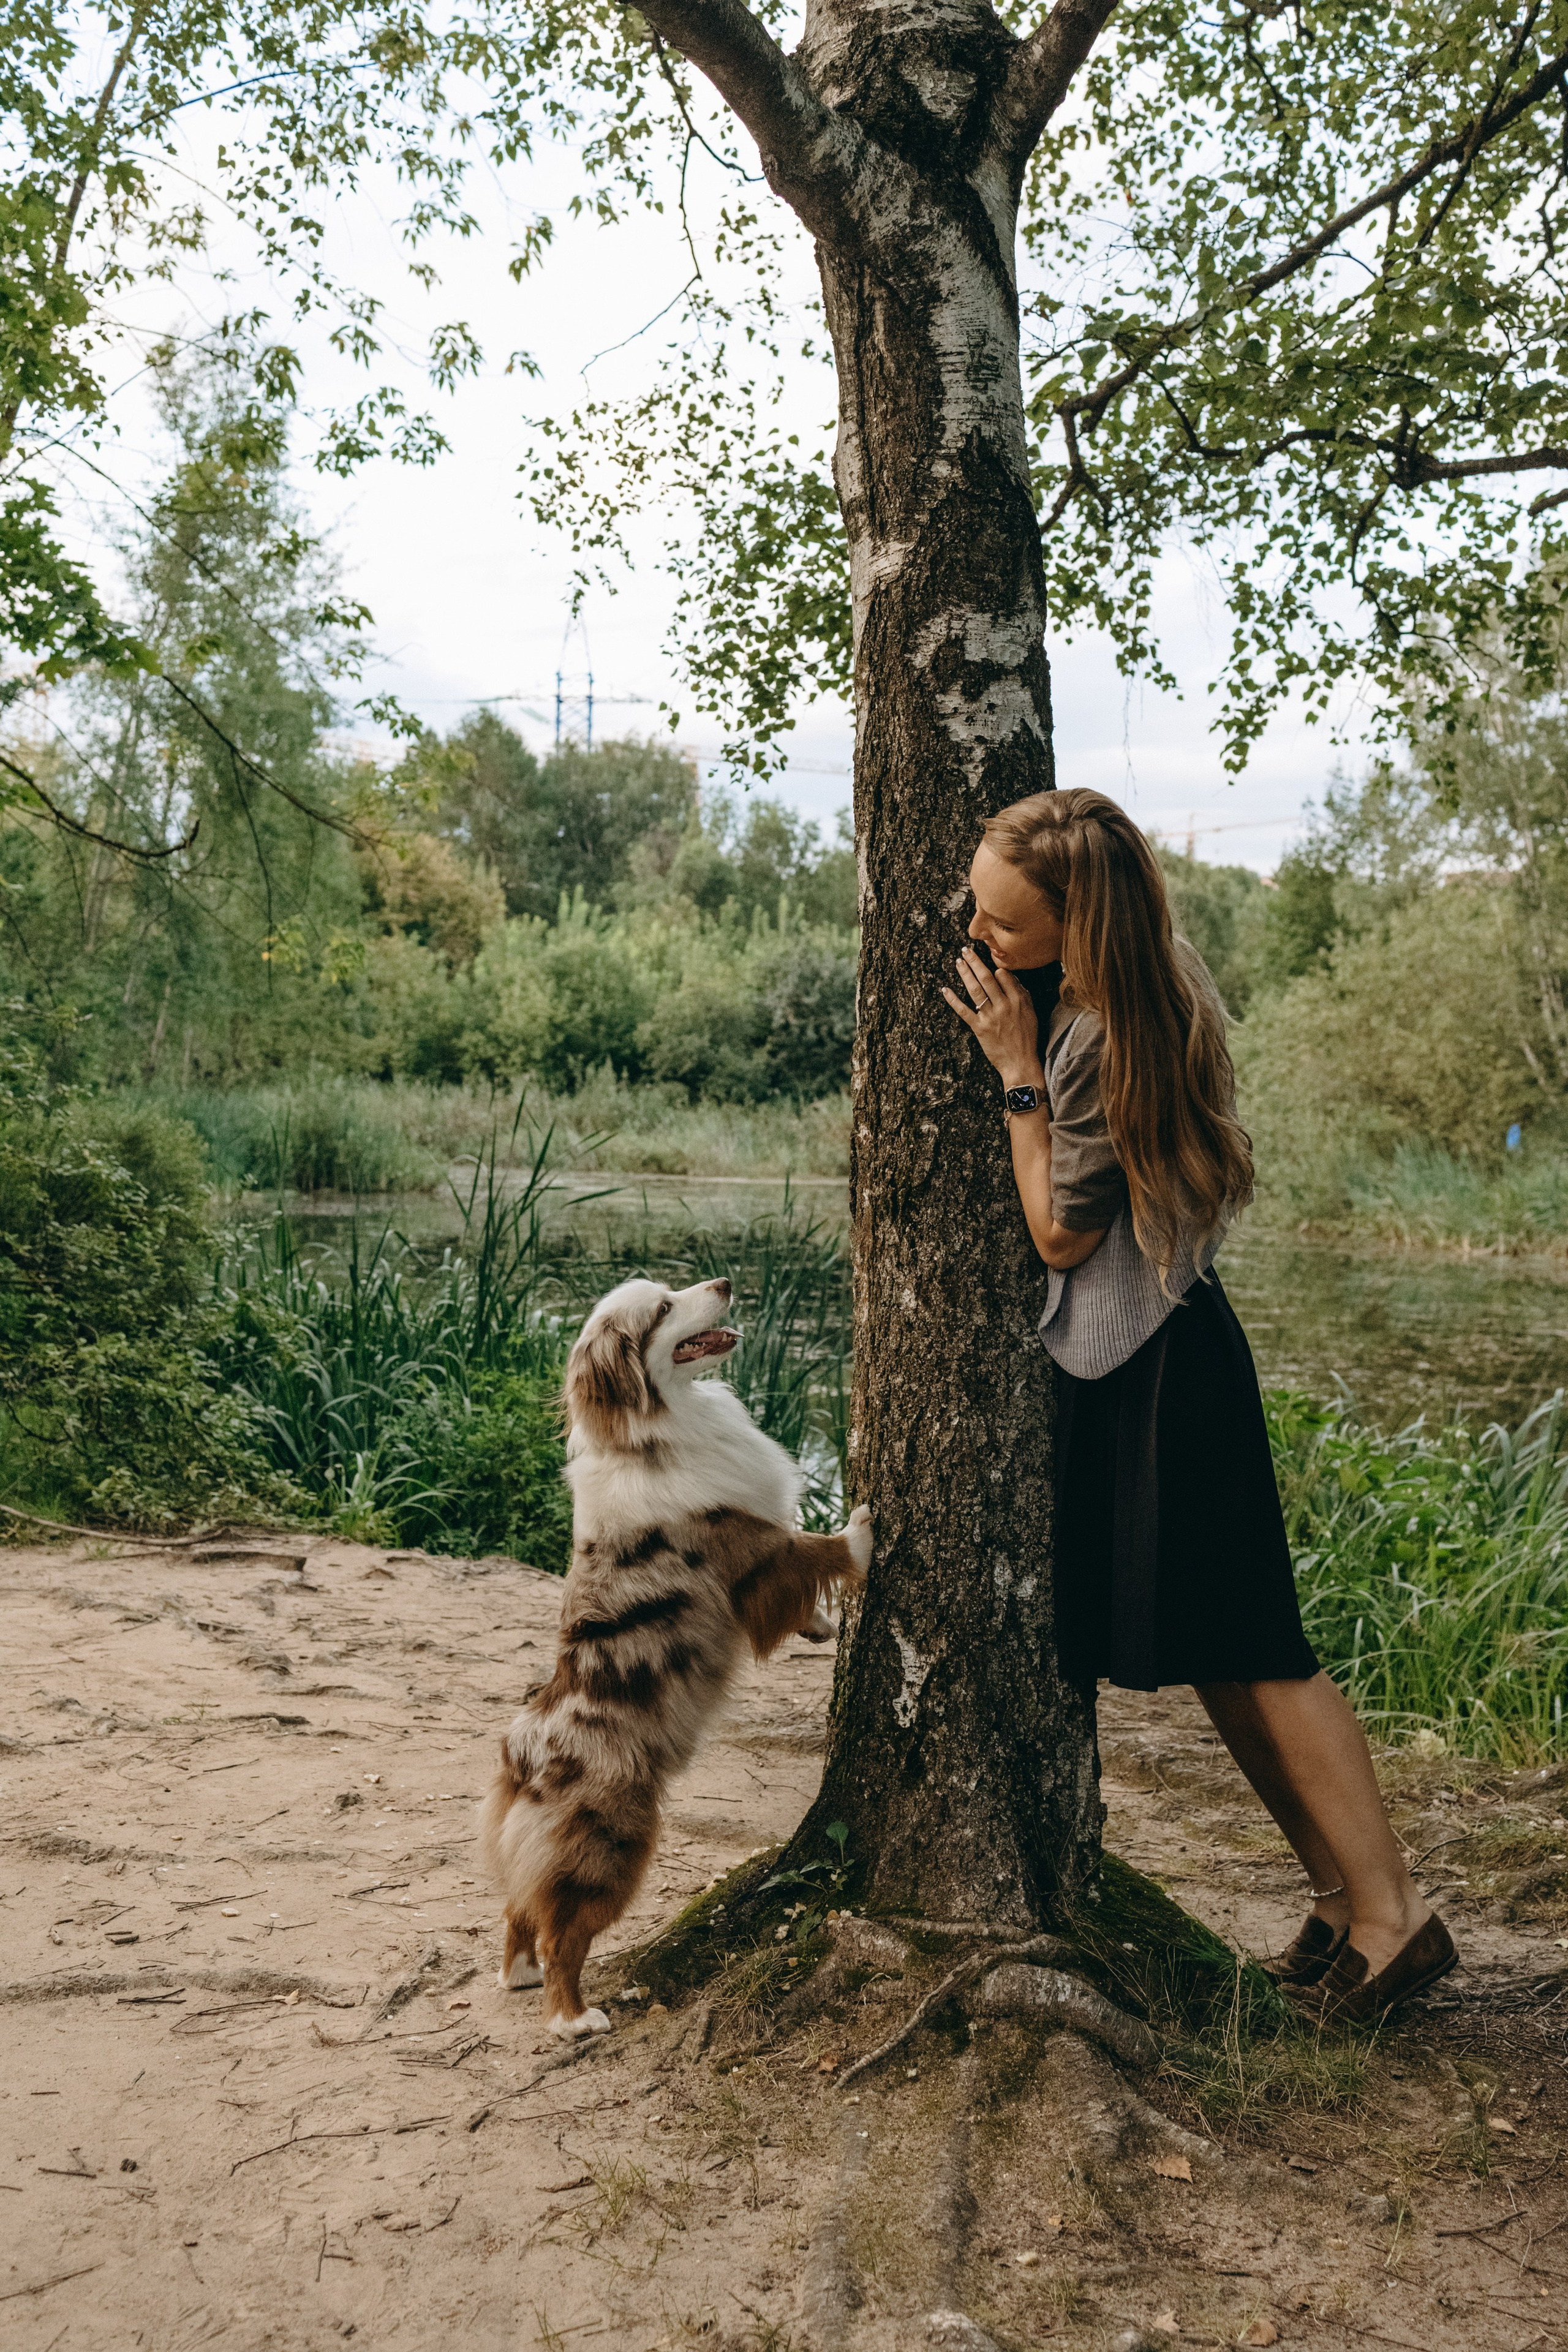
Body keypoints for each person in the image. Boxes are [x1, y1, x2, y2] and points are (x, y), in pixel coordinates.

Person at [941, 786, 1455, 2024]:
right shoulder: (1148, 973)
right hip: (1151, 1357)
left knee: (1263, 1653)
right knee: (1224, 1665)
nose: (977, 937)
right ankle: (1335, 1902)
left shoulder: (1094, 1034)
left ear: (1077, 921)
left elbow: (1060, 1237)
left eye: (1003, 925)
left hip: (1164, 1366)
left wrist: (1012, 1074)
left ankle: (1392, 1922)